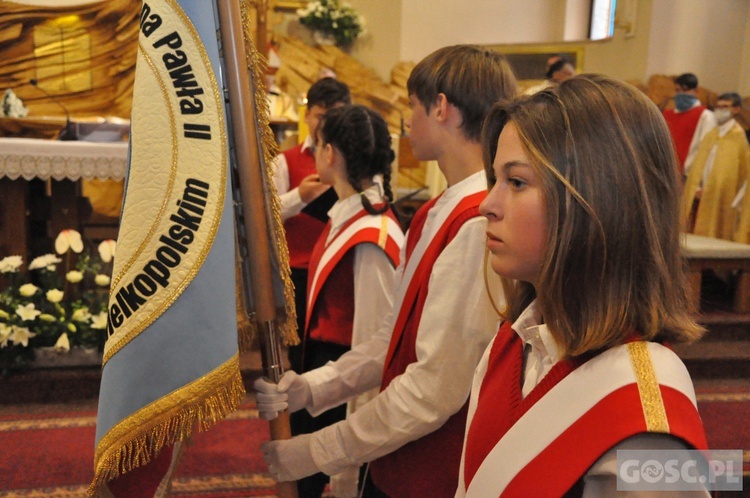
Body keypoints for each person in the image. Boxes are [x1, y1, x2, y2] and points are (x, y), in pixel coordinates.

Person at [255, 45, 517, 497]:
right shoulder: (440, 209)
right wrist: (312, 389)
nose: (406, 120)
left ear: (440, 107)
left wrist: (317, 450)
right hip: (397, 455)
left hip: (433, 469)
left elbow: (433, 388)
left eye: (412, 106)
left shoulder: (476, 222)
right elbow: (393, 339)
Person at [455, 74, 708, 497]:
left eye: (516, 182)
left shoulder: (652, 414)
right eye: (494, 180)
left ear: (598, 200)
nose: (487, 205)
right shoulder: (513, 340)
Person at [279, 104, 405, 497]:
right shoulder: (347, 217)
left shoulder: (373, 235)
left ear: (330, 154)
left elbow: (376, 343)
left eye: (318, 145)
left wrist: (356, 449)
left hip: (343, 380)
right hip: (323, 366)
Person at [271, 77, 352, 373]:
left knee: (336, 347)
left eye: (335, 115)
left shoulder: (353, 160)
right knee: (301, 351)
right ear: (307, 116)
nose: (325, 123)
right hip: (300, 270)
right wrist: (300, 196)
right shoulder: (285, 161)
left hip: (340, 266)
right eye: (320, 115)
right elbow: (268, 215)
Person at [682, 92, 750, 240]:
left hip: (720, 199)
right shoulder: (711, 134)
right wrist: (696, 187)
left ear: (736, 109)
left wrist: (712, 190)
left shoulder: (738, 139)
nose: (720, 110)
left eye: (725, 107)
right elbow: (698, 166)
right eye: (718, 106)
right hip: (699, 195)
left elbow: (736, 176)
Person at [663, 72, 717, 176]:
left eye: (685, 89)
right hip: (667, 172)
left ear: (696, 91)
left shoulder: (706, 116)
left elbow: (706, 149)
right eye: (678, 90)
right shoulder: (666, 114)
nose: (681, 94)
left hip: (689, 175)